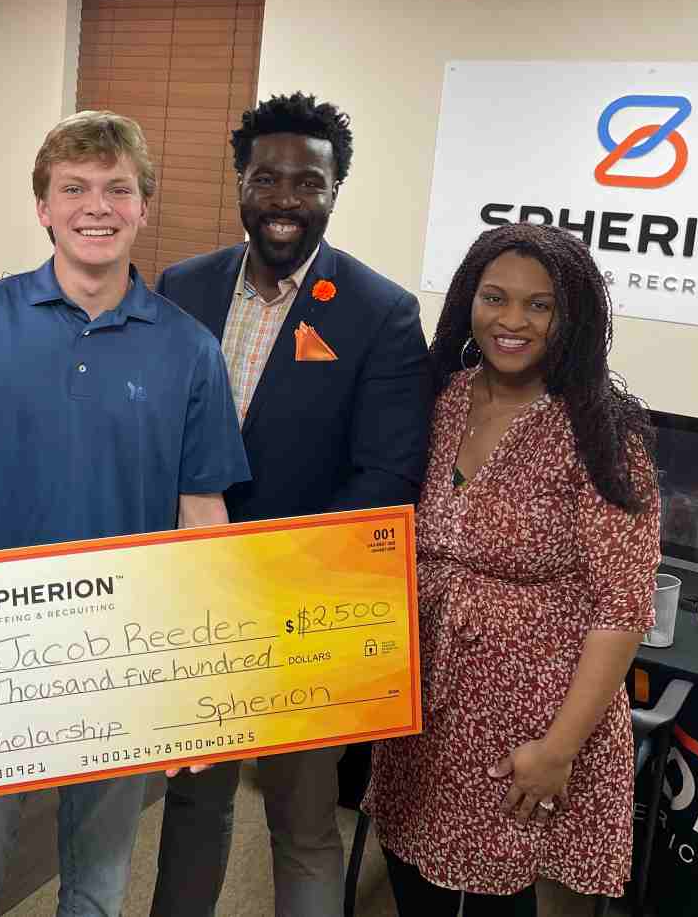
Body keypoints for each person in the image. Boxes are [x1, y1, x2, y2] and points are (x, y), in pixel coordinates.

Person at [0, 110, 250, 917]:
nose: (95, 206)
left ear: (144, 205)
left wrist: (197, 666)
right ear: (42, 206)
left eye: (117, 189)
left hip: (122, 648)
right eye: (72, 188)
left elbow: (201, 508)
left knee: (98, 884)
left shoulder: (188, 348)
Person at [151, 91, 434, 917]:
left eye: (306, 182)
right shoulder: (183, 285)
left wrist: (271, 587)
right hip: (188, 604)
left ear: (334, 191)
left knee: (303, 821)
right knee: (193, 805)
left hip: (307, 611)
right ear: (239, 182)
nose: (283, 199)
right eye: (265, 177)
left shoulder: (380, 312)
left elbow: (384, 476)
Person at [363, 222, 661, 914]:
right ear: (469, 299)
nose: (512, 321)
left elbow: (621, 609)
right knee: (413, 882)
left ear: (570, 317)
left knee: (499, 902)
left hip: (530, 725)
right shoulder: (437, 398)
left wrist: (557, 749)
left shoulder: (600, 431)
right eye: (495, 297)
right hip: (421, 712)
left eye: (538, 305)